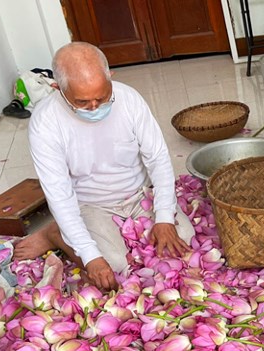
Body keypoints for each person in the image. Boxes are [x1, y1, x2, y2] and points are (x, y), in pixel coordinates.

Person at [15, 42, 193, 290]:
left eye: (102, 97)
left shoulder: (129, 99)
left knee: (184, 239)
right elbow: (59, 192)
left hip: (138, 196)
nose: (95, 108)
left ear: (110, 76)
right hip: (91, 205)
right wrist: (90, 257)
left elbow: (158, 158)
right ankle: (54, 234)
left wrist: (163, 217)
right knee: (113, 265)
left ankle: (79, 237)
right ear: (58, 89)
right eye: (83, 102)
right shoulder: (46, 122)